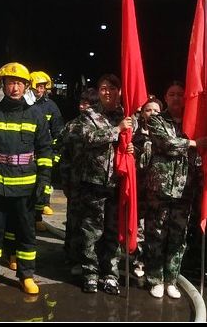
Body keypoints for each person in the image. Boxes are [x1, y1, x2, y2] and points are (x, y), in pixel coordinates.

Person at [0, 62, 52, 295]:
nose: (15, 88)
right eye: (10, 83)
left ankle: (26, 275)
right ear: (3, 85)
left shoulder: (36, 114)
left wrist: (44, 182)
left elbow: (45, 151)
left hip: (26, 187)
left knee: (26, 233)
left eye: (19, 83)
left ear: (26, 86)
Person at [141, 83, 203, 299]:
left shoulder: (192, 121)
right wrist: (194, 143)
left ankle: (171, 280)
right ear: (165, 98)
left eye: (180, 94)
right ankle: (155, 279)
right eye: (172, 94)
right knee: (156, 234)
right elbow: (166, 143)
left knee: (178, 236)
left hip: (185, 188)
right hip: (160, 188)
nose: (176, 98)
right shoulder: (157, 120)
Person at [75, 74, 133, 295]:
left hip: (118, 183)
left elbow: (138, 142)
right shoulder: (89, 115)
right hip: (94, 182)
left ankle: (110, 275)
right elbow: (88, 138)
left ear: (120, 91)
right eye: (103, 88)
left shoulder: (127, 115)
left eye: (112, 88)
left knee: (112, 231)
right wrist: (117, 130)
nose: (107, 92)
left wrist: (132, 148)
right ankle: (90, 274)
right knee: (91, 232)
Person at [58, 88, 99, 276]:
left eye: (88, 104)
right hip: (75, 181)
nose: (83, 107)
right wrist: (65, 180)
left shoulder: (103, 125)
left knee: (91, 223)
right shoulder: (72, 125)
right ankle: (72, 256)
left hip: (94, 182)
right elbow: (63, 153)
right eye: (82, 103)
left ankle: (91, 259)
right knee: (74, 221)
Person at [130, 95, 162, 279]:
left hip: (159, 188)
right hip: (141, 187)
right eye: (148, 110)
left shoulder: (167, 131)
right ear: (142, 113)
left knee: (157, 227)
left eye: (156, 110)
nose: (152, 113)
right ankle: (139, 260)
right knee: (140, 226)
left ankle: (155, 262)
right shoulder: (136, 133)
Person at [29, 71, 64, 223]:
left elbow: (58, 131)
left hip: (44, 151)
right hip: (27, 153)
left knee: (44, 183)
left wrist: (55, 153)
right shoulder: (25, 104)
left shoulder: (51, 106)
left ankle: (40, 213)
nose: (39, 90)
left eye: (42, 87)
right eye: (37, 86)